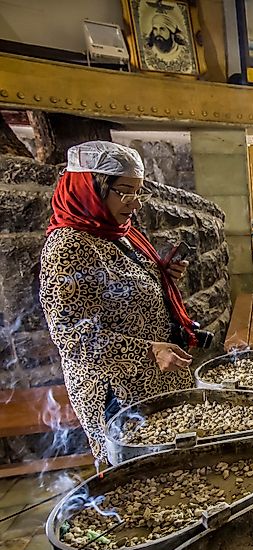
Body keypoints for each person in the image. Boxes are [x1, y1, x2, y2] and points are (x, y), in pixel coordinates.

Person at [39, 141, 198, 467]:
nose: (135, 203)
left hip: (153, 381)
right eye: (125, 191)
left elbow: (121, 285)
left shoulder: (116, 230)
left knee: (169, 469)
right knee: (136, 474)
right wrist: (149, 351)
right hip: (118, 392)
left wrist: (161, 275)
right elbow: (75, 338)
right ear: (91, 187)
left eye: (138, 192)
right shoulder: (69, 245)